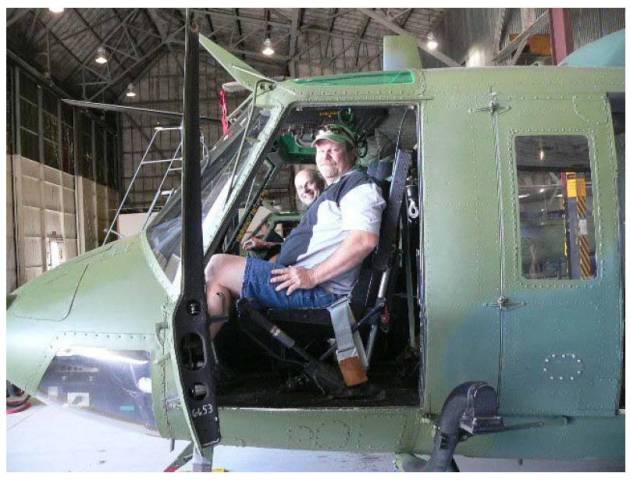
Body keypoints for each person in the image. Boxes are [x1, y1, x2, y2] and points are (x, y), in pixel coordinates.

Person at [205, 123, 386, 337]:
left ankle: (196, 353)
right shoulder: (338, 188)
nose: (325, 156)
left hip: (321, 291)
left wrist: (312, 276)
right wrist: (274, 247)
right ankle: (208, 348)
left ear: (352, 153)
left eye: (333, 149)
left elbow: (364, 240)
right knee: (218, 284)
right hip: (302, 280)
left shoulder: (358, 186)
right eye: (320, 150)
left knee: (218, 267)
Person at [242, 168, 324, 252]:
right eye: (300, 188)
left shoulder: (325, 210)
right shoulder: (311, 213)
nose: (305, 190)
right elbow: (301, 244)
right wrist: (266, 244)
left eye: (309, 183)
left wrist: (266, 245)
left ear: (321, 182)